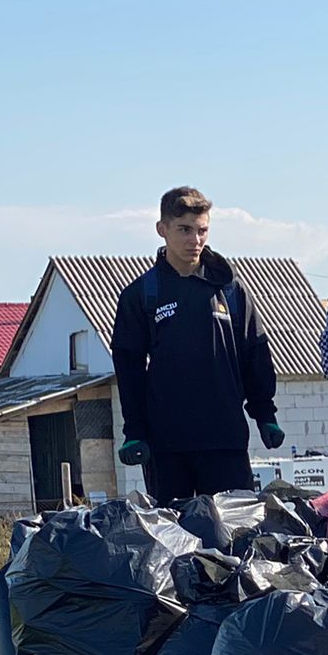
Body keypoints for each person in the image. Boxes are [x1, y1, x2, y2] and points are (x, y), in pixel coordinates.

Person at [111, 186, 281, 506]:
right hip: (167, 446)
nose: (195, 239)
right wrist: (134, 431)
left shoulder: (230, 290)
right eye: (184, 230)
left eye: (202, 230)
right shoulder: (143, 294)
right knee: (173, 533)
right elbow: (129, 368)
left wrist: (265, 413)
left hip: (225, 440)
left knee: (236, 530)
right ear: (162, 229)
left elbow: (255, 353)